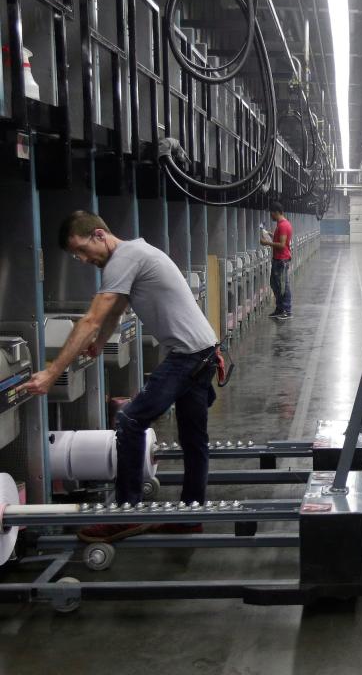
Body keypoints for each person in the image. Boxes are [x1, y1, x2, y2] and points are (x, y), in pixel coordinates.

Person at [21, 211, 219, 543]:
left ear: (99, 234)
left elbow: (91, 319)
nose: (83, 260)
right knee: (193, 440)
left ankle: (126, 513)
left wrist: (52, 372)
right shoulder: (136, 255)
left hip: (188, 357)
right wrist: (99, 343)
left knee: (129, 419)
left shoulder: (124, 258)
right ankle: (191, 515)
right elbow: (116, 310)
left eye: (81, 250)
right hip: (203, 351)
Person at [261, 200, 293, 319]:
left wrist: (267, 242)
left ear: (276, 212)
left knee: (283, 286)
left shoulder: (283, 225)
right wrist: (269, 233)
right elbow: (279, 239)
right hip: (278, 259)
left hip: (281, 260)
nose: (271, 216)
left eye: (272, 213)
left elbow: (282, 244)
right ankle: (280, 309)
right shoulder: (282, 225)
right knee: (275, 285)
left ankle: (287, 310)